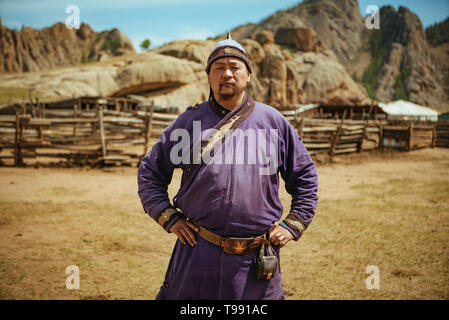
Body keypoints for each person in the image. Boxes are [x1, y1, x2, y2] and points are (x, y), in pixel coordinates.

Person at [137, 34, 318, 300]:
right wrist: (169, 217)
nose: (227, 74)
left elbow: (304, 176)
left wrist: (294, 224)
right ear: (209, 76)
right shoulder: (190, 122)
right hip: (198, 252)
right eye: (219, 68)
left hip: (256, 258)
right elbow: (150, 172)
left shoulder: (273, 123)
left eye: (235, 67)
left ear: (248, 76)